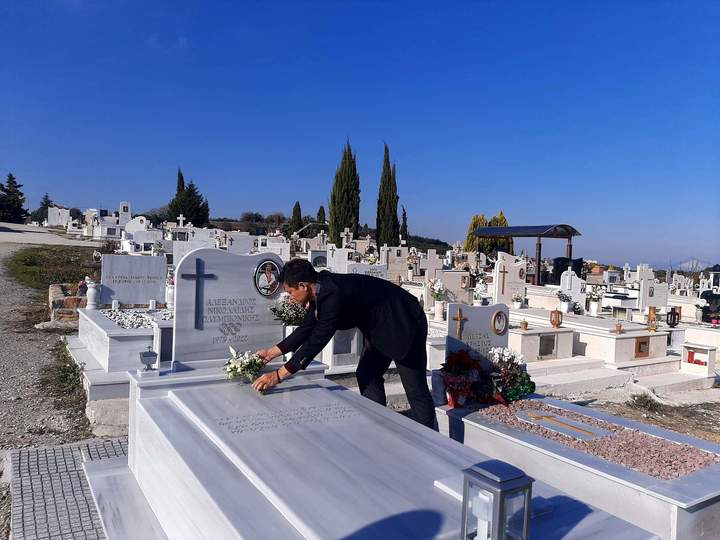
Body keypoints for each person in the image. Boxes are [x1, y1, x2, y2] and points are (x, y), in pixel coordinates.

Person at [252, 258, 436, 429]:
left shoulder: (333, 295)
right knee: (367, 373)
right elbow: (307, 328)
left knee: (415, 389)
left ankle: (431, 441)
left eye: (291, 292)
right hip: (379, 327)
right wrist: (270, 353)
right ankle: (379, 426)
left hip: (404, 322)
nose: (290, 298)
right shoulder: (319, 288)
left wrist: (278, 375)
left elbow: (317, 339)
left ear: (303, 286)